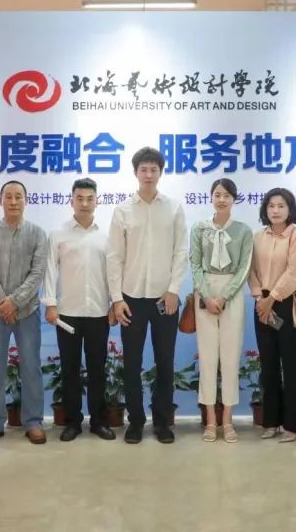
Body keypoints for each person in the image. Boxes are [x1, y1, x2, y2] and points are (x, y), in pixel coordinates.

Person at [106, 147, 187, 445]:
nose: (149, 174)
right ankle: (136, 421)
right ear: (136, 172)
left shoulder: (174, 208)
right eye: (144, 169)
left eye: (154, 169)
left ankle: (163, 422)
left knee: (165, 362)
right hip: (131, 299)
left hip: (165, 298)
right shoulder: (123, 210)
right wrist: (117, 299)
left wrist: (174, 289)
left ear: (160, 172)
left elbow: (181, 252)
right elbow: (114, 257)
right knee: (131, 363)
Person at [0, 180, 49, 445]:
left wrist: (14, 302)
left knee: (31, 366)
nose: (13, 201)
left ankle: (33, 422)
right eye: (8, 196)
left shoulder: (38, 234)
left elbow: (37, 273)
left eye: (18, 196)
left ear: (26, 200)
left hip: (27, 311)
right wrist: (2, 303)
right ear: (0, 200)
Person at [44, 178, 117, 442]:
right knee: (70, 370)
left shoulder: (107, 237)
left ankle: (98, 422)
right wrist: (50, 303)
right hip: (67, 314)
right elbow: (50, 270)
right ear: (71, 200)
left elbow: (114, 273)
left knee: (98, 370)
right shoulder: (58, 234)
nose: (84, 203)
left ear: (97, 201)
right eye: (79, 198)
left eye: (89, 198)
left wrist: (114, 303)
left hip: (99, 313)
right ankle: (73, 422)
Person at [189, 178, 252, 443]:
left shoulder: (243, 231)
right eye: (217, 194)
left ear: (234, 199)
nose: (222, 199)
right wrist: (206, 295)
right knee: (207, 358)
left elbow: (244, 267)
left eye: (227, 195)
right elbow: (194, 264)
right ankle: (210, 420)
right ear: (211, 197)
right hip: (204, 291)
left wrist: (225, 296)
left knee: (230, 357)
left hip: (232, 294)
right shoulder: (199, 227)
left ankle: (227, 420)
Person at [249, 187, 296, 443]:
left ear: (290, 209)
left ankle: (293, 425)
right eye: (271, 206)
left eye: (281, 206)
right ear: (265, 209)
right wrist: (259, 298)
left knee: (291, 363)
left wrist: (271, 298)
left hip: (287, 302)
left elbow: (293, 273)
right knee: (268, 363)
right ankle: (271, 421)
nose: (275, 210)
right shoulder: (257, 236)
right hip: (261, 303)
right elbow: (250, 270)